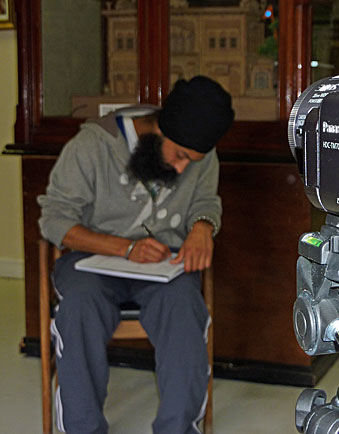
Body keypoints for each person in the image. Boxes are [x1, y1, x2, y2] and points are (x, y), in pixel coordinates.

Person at [38, 76, 234, 434]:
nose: (181, 169)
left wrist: (203, 225)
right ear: (153, 131)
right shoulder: (93, 145)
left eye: (192, 161)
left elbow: (205, 202)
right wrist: (125, 248)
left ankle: (177, 429)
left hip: (164, 265)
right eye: (178, 156)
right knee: (79, 307)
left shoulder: (199, 153)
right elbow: (54, 221)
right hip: (91, 263)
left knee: (185, 310)